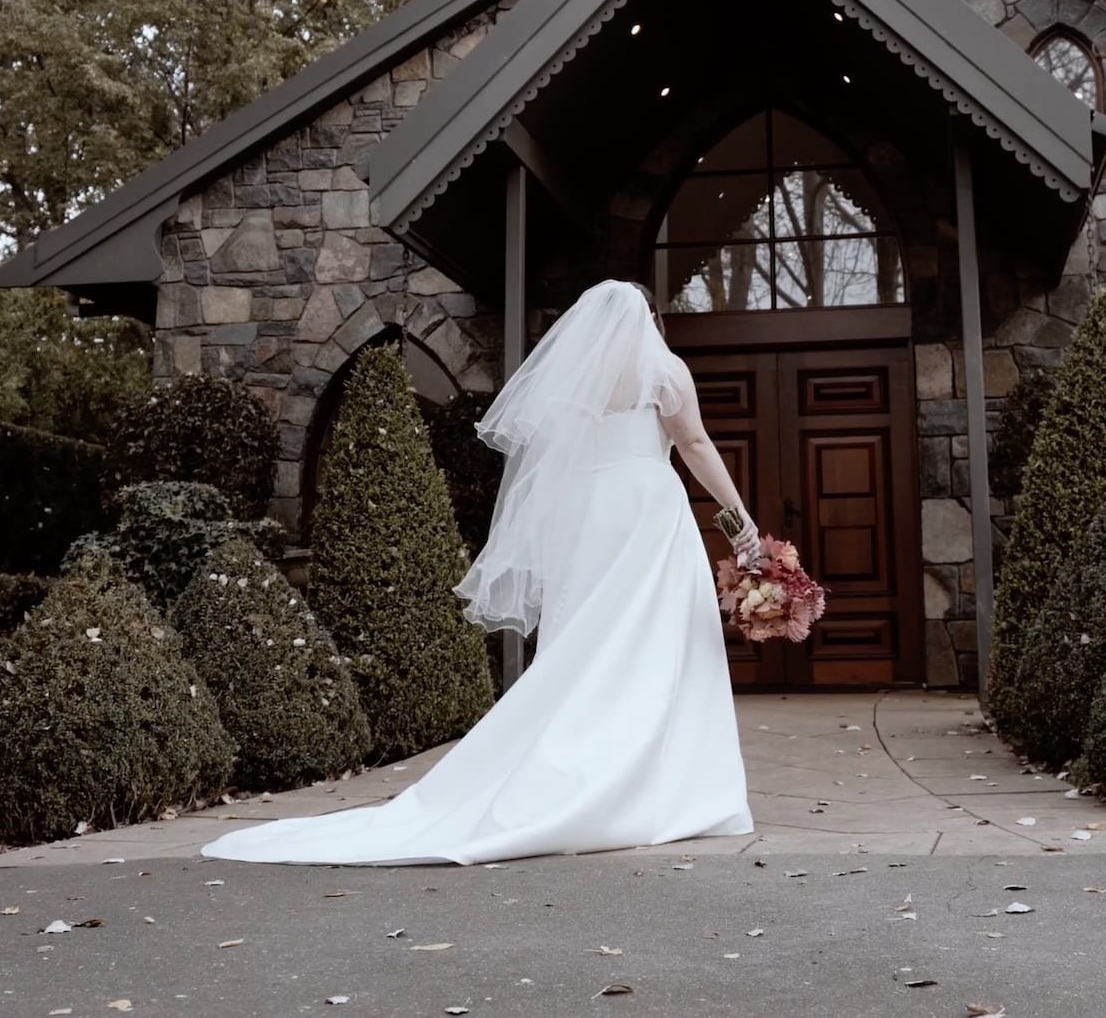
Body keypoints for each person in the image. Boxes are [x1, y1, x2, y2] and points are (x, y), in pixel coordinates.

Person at [200, 279, 765, 865]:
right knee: (657, 641)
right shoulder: (666, 372)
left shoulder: (578, 379)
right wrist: (739, 522)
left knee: (585, 644)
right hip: (646, 511)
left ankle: (582, 768)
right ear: (649, 318)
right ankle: (662, 786)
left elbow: (554, 465)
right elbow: (694, 441)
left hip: (589, 519)